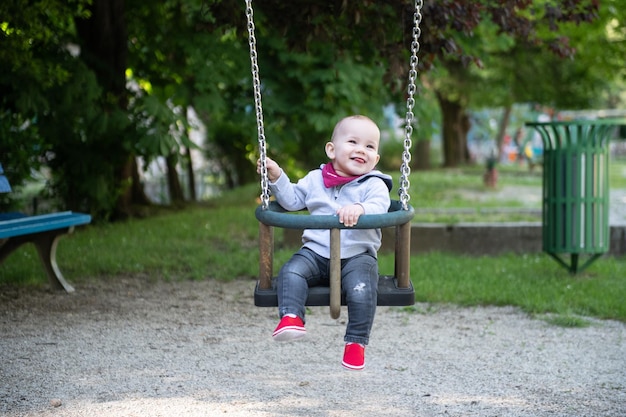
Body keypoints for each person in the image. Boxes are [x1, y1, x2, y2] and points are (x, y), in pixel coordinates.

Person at [256, 115, 392, 370]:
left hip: (357, 256)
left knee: (362, 289)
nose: (361, 149)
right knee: (292, 271)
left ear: (375, 159)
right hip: (316, 252)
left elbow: (379, 206)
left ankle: (356, 343)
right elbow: (293, 200)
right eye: (353, 142)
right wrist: (276, 176)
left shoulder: (374, 183)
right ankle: (292, 317)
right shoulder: (315, 179)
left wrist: (360, 208)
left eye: (370, 146)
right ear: (331, 149)